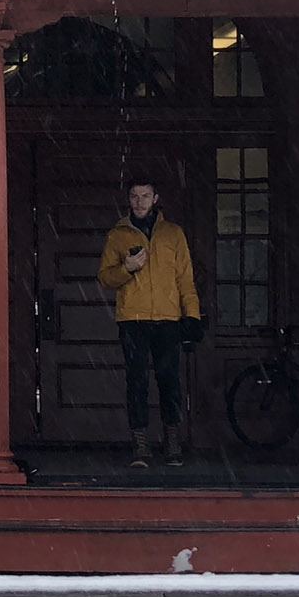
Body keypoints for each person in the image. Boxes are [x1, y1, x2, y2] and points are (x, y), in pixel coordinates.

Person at [96, 175, 203, 469]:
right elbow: (105, 278)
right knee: (137, 382)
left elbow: (185, 279)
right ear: (128, 199)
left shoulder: (173, 234)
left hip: (168, 318)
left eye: (145, 196)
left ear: (156, 198)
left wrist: (192, 315)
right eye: (134, 196)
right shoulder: (118, 235)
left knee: (170, 381)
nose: (140, 202)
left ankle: (172, 440)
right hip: (134, 318)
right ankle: (140, 443)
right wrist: (127, 269)